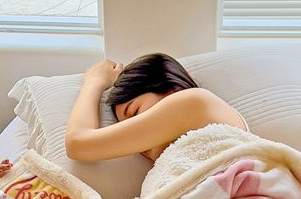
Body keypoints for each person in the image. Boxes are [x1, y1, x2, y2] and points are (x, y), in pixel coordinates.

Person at [65, 52, 248, 163]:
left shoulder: (195, 101)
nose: (134, 130)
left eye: (135, 112)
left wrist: (94, 82)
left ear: (171, 89)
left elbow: (77, 144)